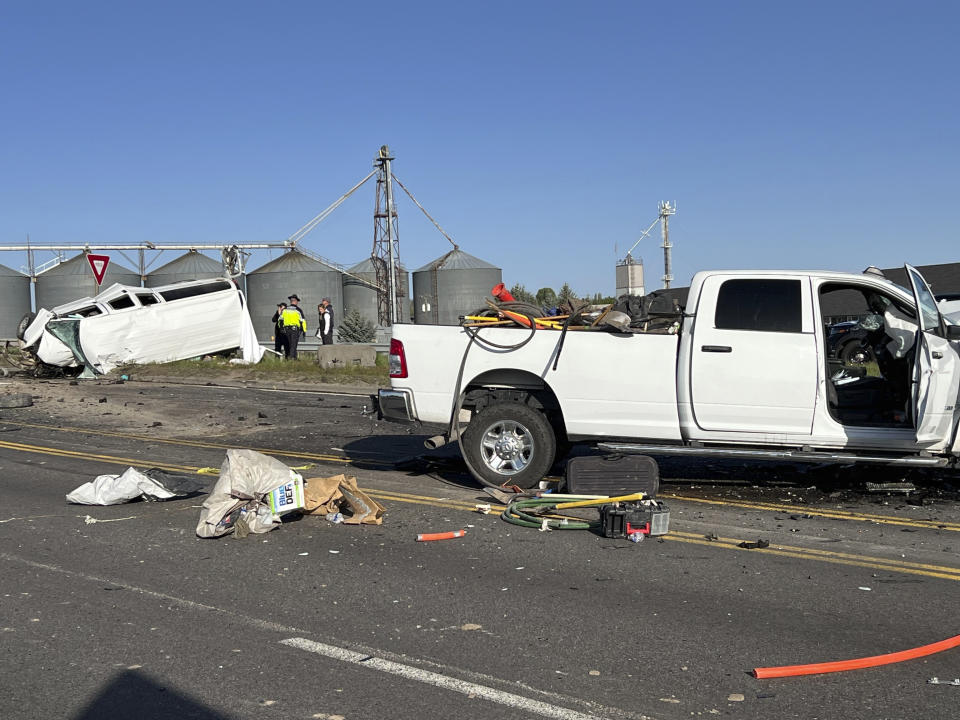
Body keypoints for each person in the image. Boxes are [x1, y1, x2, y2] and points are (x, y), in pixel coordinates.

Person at [281, 294, 307, 359]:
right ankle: (291, 359)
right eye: (297, 301)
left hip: (286, 330)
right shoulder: (298, 310)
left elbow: (280, 320)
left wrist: (282, 328)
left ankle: (294, 358)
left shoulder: (285, 309)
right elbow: (303, 321)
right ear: (295, 301)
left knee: (290, 344)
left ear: (291, 301)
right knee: (293, 345)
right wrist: (304, 330)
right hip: (294, 330)